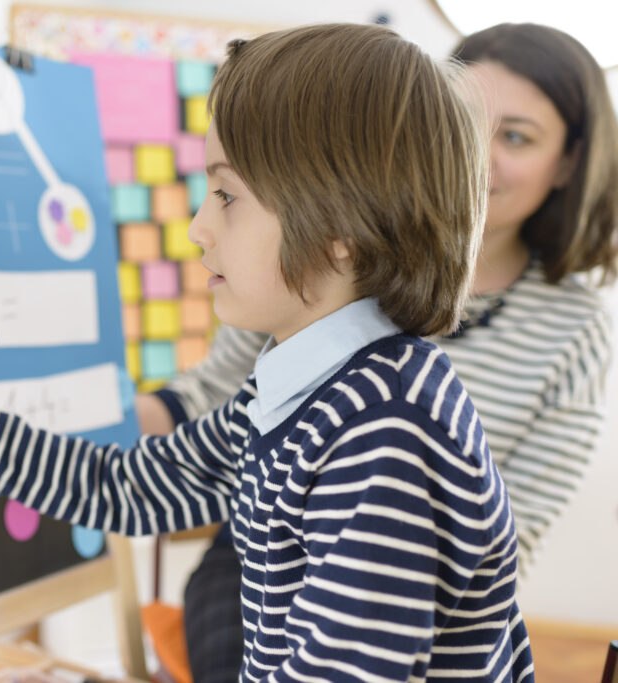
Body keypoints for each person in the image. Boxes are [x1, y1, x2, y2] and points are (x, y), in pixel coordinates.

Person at [0, 24, 535, 681]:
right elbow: (119, 487)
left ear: (341, 230)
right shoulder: (299, 392)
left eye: (226, 195)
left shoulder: (384, 435)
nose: (199, 228)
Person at [136, 22, 618, 683]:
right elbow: (216, 396)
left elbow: (518, 524)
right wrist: (107, 418)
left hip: (413, 579)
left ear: (567, 163)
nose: (477, 150)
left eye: (516, 137)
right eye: (463, 119)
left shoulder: (574, 329)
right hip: (266, 551)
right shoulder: (319, 255)